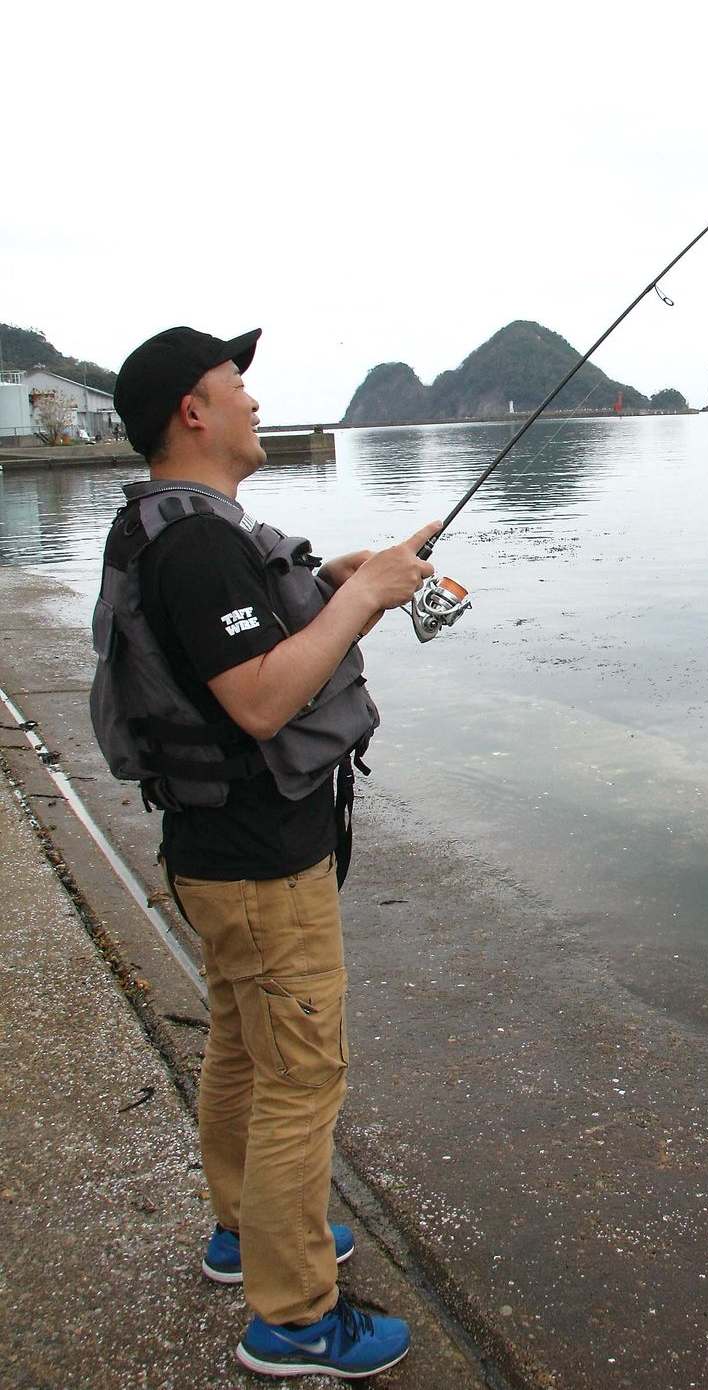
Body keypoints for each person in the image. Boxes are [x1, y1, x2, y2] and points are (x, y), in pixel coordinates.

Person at [97, 326, 440, 1379]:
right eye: (235, 385)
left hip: (219, 851)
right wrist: (363, 597)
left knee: (247, 1053)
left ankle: (244, 1232)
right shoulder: (196, 544)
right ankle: (292, 1318)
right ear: (191, 414)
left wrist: (337, 584)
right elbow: (258, 700)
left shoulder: (186, 530)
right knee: (303, 1077)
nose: (254, 400)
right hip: (255, 862)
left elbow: (248, 655)